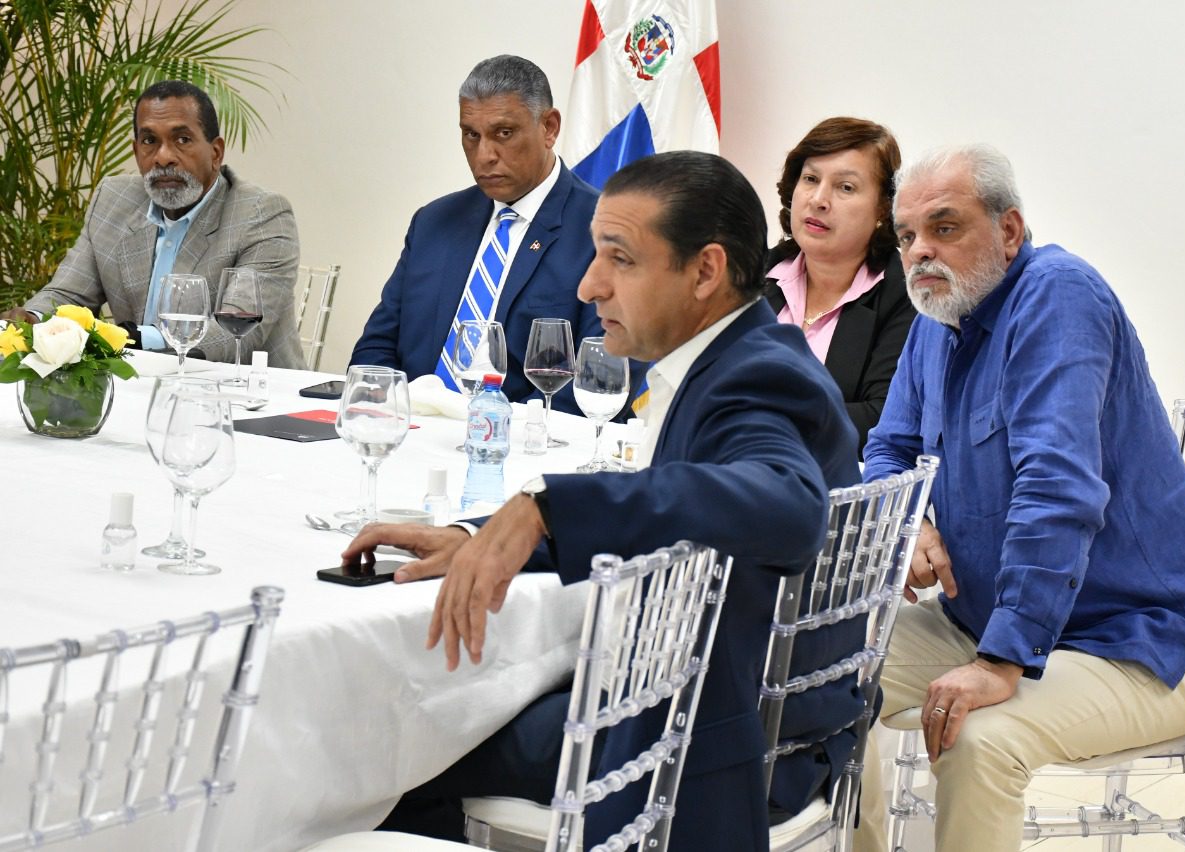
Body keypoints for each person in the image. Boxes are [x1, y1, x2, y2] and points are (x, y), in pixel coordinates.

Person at [343, 151, 862, 851]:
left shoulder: (758, 377)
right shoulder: (732, 357)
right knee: (445, 708)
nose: (589, 286)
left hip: (710, 734)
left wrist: (546, 505)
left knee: (397, 742)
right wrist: (482, 533)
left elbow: (788, 505)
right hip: (729, 702)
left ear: (705, 271)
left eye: (620, 258)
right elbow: (677, 514)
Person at [856, 145, 1185, 852]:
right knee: (822, 673)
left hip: (1138, 639)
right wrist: (906, 523)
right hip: (982, 617)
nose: (920, 252)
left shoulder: (1059, 297)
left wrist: (1000, 662)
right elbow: (886, 449)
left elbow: (1057, 490)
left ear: (1009, 230)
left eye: (945, 227)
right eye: (906, 236)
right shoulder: (936, 318)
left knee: (979, 739)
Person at [350, 55, 602, 411]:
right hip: (412, 427)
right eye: (471, 135)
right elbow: (376, 349)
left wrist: (500, 429)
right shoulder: (434, 222)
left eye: (504, 134)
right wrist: (385, 414)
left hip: (524, 436)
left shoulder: (603, 231)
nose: (484, 156)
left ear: (549, 128)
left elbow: (596, 381)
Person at [3, 80, 305, 369]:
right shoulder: (113, 200)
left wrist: (133, 338)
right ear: (136, 151)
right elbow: (70, 295)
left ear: (216, 153)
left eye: (182, 140)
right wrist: (33, 318)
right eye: (150, 141)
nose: (163, 157)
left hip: (248, 392)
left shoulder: (261, 214)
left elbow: (234, 331)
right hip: (138, 385)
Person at [764, 117, 916, 456]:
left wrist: (766, 423)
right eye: (810, 179)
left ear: (883, 208)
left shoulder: (905, 294)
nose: (819, 199)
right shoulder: (750, 276)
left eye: (845, 187)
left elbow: (883, 417)